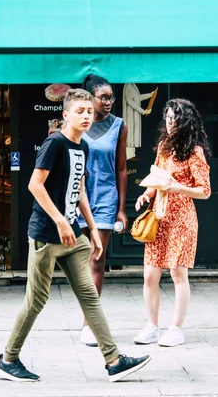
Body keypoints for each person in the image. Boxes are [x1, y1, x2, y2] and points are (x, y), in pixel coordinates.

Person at [0, 88, 151, 383]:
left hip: (74, 235)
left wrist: (90, 227)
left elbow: (78, 189)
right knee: (36, 300)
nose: (87, 116)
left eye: (90, 111)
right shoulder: (54, 143)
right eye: (80, 111)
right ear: (65, 115)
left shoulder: (84, 147)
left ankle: (114, 360)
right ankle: (8, 359)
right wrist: (60, 222)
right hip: (46, 236)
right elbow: (34, 185)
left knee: (89, 297)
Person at [133, 98, 212, 347]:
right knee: (149, 276)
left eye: (174, 119)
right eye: (166, 118)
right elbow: (157, 177)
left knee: (178, 274)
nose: (169, 123)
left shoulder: (194, 151)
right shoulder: (164, 147)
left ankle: (176, 328)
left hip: (182, 219)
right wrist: (146, 194)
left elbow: (205, 190)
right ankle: (152, 326)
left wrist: (177, 186)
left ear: (185, 122)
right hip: (159, 216)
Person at [77, 75, 128, 347]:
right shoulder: (78, 124)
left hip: (106, 197)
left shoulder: (119, 126)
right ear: (90, 98)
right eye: (103, 97)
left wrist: (121, 209)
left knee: (97, 259)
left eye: (111, 98)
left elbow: (121, 168)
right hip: (78, 197)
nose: (108, 102)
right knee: (80, 260)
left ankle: (89, 323)